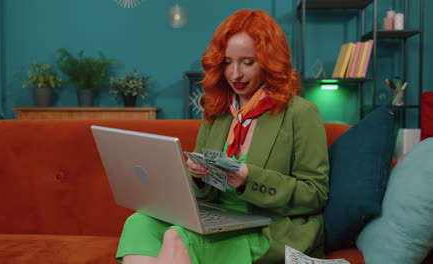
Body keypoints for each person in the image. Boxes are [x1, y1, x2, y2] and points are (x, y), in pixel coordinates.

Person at [116, 9, 329, 264]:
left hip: (269, 229)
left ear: (270, 61)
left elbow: (315, 194)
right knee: (139, 222)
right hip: (220, 218)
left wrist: (248, 178)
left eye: (247, 62)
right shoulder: (217, 111)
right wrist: (198, 177)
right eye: (227, 62)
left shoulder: (301, 113)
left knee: (177, 236)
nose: (235, 74)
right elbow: (201, 192)